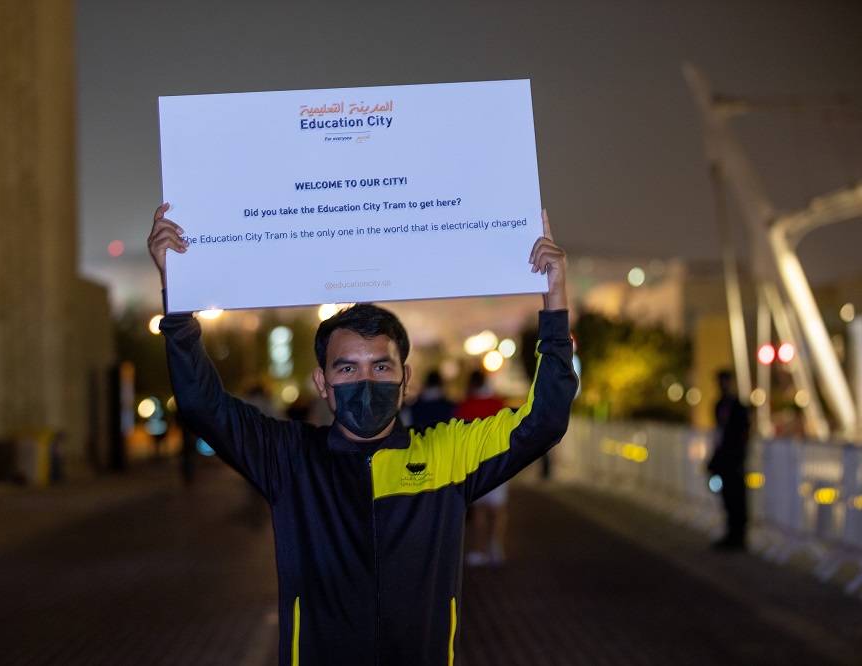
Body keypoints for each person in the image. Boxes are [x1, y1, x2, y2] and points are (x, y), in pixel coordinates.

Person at [148, 204, 576, 664]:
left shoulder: (447, 455)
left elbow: (546, 418)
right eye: (347, 368)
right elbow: (199, 403)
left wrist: (554, 301)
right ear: (323, 384)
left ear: (405, 378)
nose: (366, 382)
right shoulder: (290, 459)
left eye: (381, 366)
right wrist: (179, 295)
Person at [455, 370, 510, 567]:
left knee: (478, 509)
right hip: (498, 462)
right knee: (498, 510)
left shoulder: (466, 405)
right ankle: (496, 546)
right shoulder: (497, 403)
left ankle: (478, 550)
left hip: (475, 464)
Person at [707, 370, 751, 551]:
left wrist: (740, 455)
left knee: (736, 498)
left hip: (734, 460)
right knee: (726, 496)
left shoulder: (737, 407)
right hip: (723, 459)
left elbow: (743, 432)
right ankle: (731, 534)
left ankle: (738, 536)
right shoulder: (718, 405)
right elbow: (718, 433)